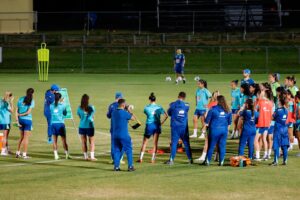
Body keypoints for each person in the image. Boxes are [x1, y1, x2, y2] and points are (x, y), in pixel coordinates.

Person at [137, 93, 168, 163]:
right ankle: (153, 159)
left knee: (144, 142)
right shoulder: (159, 107)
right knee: (155, 143)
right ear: (155, 100)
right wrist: (161, 123)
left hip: (149, 125)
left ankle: (141, 158)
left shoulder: (146, 108)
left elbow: (146, 113)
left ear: (149, 100)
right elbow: (166, 116)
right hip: (157, 125)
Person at [203, 95, 232, 166]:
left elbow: (206, 121)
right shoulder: (228, 110)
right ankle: (221, 162)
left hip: (214, 130)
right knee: (222, 146)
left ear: (218, 101)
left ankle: (207, 161)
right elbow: (229, 123)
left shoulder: (213, 109)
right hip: (224, 131)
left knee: (211, 146)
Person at [165, 92, 193, 165]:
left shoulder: (173, 104)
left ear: (178, 96)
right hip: (184, 127)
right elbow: (186, 110)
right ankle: (190, 159)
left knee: (174, 143)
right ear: (184, 97)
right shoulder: (187, 105)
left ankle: (171, 160)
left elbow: (169, 113)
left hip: (175, 126)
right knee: (186, 143)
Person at [111, 98, 137, 171]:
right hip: (124, 134)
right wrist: (129, 110)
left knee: (116, 150)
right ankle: (130, 166)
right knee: (128, 150)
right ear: (123, 104)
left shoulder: (113, 112)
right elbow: (133, 118)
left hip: (115, 135)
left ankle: (116, 167)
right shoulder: (124, 113)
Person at [195, 90, 219, 162]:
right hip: (218, 125)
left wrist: (205, 125)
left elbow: (207, 114)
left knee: (207, 141)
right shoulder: (219, 105)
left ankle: (203, 156)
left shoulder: (212, 104)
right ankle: (216, 156)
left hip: (211, 125)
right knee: (217, 142)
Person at [254, 83, 273, 161]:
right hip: (267, 123)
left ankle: (257, 156)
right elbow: (271, 114)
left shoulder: (260, 102)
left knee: (255, 140)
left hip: (261, 123)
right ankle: (266, 155)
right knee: (264, 139)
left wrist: (261, 92)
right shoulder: (270, 103)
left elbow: (255, 109)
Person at [50, 93, 71, 160]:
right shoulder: (63, 105)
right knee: (64, 140)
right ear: (60, 98)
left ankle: (56, 155)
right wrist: (62, 103)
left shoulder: (51, 105)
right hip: (60, 124)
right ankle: (67, 154)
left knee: (55, 141)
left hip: (53, 124)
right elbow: (65, 113)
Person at [15, 88, 35, 159]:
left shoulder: (20, 99)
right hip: (27, 120)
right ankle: (24, 154)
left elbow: (16, 110)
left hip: (21, 120)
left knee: (21, 137)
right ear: (32, 93)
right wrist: (21, 114)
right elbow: (28, 112)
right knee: (26, 138)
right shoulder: (31, 101)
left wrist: (17, 119)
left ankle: (17, 152)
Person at [106, 92, 125, 164]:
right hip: (121, 128)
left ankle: (113, 159)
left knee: (113, 144)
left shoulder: (111, 105)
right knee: (122, 143)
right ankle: (120, 159)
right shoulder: (123, 105)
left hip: (113, 128)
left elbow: (108, 116)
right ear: (120, 97)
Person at [270, 97, 289, 166]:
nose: (277, 102)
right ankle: (285, 160)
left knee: (276, 145)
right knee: (284, 145)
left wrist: (275, 118)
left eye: (278, 101)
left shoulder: (277, 110)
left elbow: (272, 118)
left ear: (280, 102)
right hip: (285, 129)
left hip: (278, 129)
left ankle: (276, 161)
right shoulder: (286, 110)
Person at [77, 94, 96, 161]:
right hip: (90, 126)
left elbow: (80, 117)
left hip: (82, 126)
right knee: (91, 142)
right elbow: (92, 116)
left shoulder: (79, 108)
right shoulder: (91, 107)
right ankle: (92, 157)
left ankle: (85, 156)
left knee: (83, 142)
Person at [0, 92, 14, 156]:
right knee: (5, 136)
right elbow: (12, 111)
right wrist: (11, 102)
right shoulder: (6, 103)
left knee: (5, 136)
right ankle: (3, 151)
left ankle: (6, 149)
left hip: (1, 120)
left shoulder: (1, 101)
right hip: (6, 121)